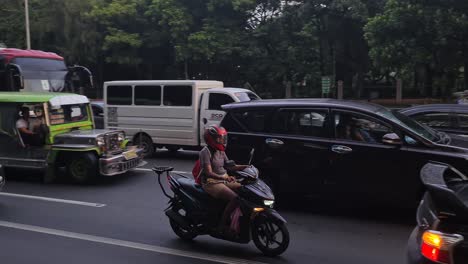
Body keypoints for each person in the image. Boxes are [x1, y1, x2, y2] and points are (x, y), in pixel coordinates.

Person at [200, 125, 249, 234]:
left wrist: (247, 167)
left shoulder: (221, 151)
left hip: (224, 179)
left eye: (223, 138)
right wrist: (223, 177)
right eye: (219, 138)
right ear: (211, 139)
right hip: (211, 182)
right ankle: (222, 225)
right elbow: (208, 172)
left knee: (245, 190)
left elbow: (231, 166)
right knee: (235, 198)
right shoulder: (205, 152)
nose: (222, 140)